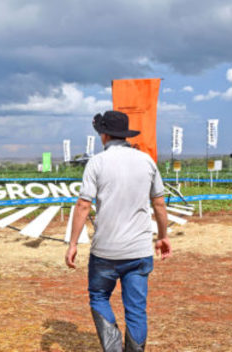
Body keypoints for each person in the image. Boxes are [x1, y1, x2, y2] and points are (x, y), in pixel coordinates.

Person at [65, 110, 171, 352]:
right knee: (136, 309)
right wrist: (163, 237)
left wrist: (73, 244)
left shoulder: (97, 162)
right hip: (139, 251)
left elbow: (83, 204)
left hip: (105, 251)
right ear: (125, 135)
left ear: (104, 136)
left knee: (100, 297)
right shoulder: (146, 161)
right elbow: (159, 203)